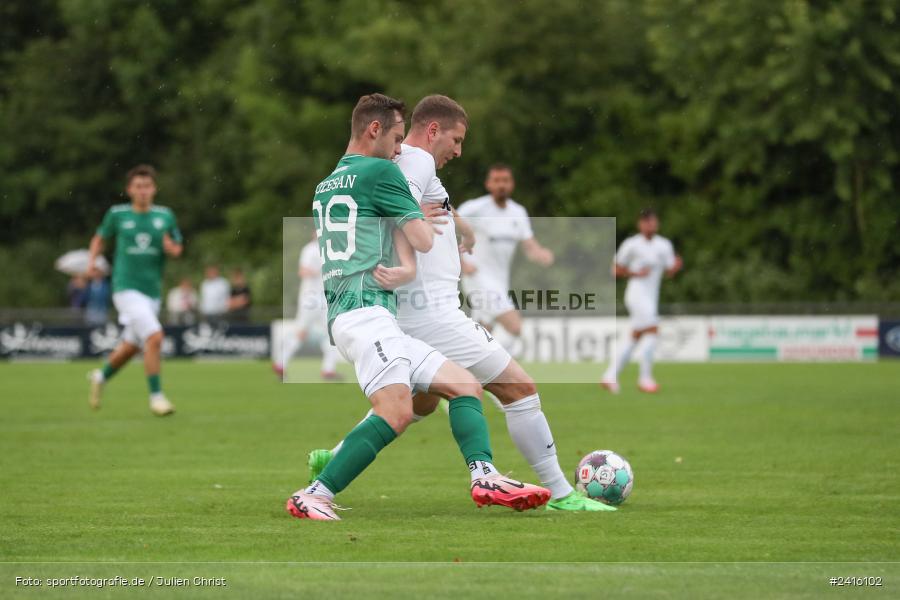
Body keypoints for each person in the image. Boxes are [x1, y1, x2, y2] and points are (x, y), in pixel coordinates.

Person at [307, 95, 612, 512]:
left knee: (421, 402)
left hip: (405, 311)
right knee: (518, 389)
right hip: (432, 312)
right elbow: (402, 213)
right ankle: (561, 493)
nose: (459, 150)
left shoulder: (409, 164)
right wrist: (415, 246)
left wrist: (462, 230)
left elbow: (431, 204)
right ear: (433, 130)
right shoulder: (415, 161)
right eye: (457, 139)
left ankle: (337, 456)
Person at [87, 165, 183, 416]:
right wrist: (92, 263)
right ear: (129, 190)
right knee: (155, 337)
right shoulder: (117, 214)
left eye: (147, 186)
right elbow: (99, 238)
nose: (143, 191)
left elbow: (177, 248)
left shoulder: (165, 216)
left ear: (154, 189)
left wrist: (170, 247)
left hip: (152, 291)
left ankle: (100, 376)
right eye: (138, 186)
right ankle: (157, 398)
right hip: (125, 288)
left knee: (131, 346)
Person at [457, 164, 555, 356]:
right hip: (477, 277)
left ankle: (463, 374)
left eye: (505, 180)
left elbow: (529, 245)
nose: (501, 185)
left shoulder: (518, 212)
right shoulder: (474, 208)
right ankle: (495, 369)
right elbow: (446, 232)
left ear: (512, 184)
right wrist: (462, 264)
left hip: (500, 282)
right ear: (488, 184)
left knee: (482, 335)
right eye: (497, 180)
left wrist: (540, 253)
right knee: (515, 327)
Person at [602, 208, 683, 393]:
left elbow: (670, 270)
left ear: (657, 223)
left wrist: (677, 266)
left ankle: (610, 375)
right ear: (640, 224)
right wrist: (635, 273)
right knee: (653, 330)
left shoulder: (664, 245)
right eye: (646, 221)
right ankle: (645, 379)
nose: (650, 224)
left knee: (635, 336)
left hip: (651, 298)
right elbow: (615, 270)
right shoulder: (632, 244)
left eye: (652, 221)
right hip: (636, 295)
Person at [273, 232, 341, 381]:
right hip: (310, 298)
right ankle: (280, 363)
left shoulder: (329, 249)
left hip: (323, 299)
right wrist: (322, 273)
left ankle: (328, 369)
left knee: (332, 332)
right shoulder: (310, 249)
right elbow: (303, 271)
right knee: (301, 332)